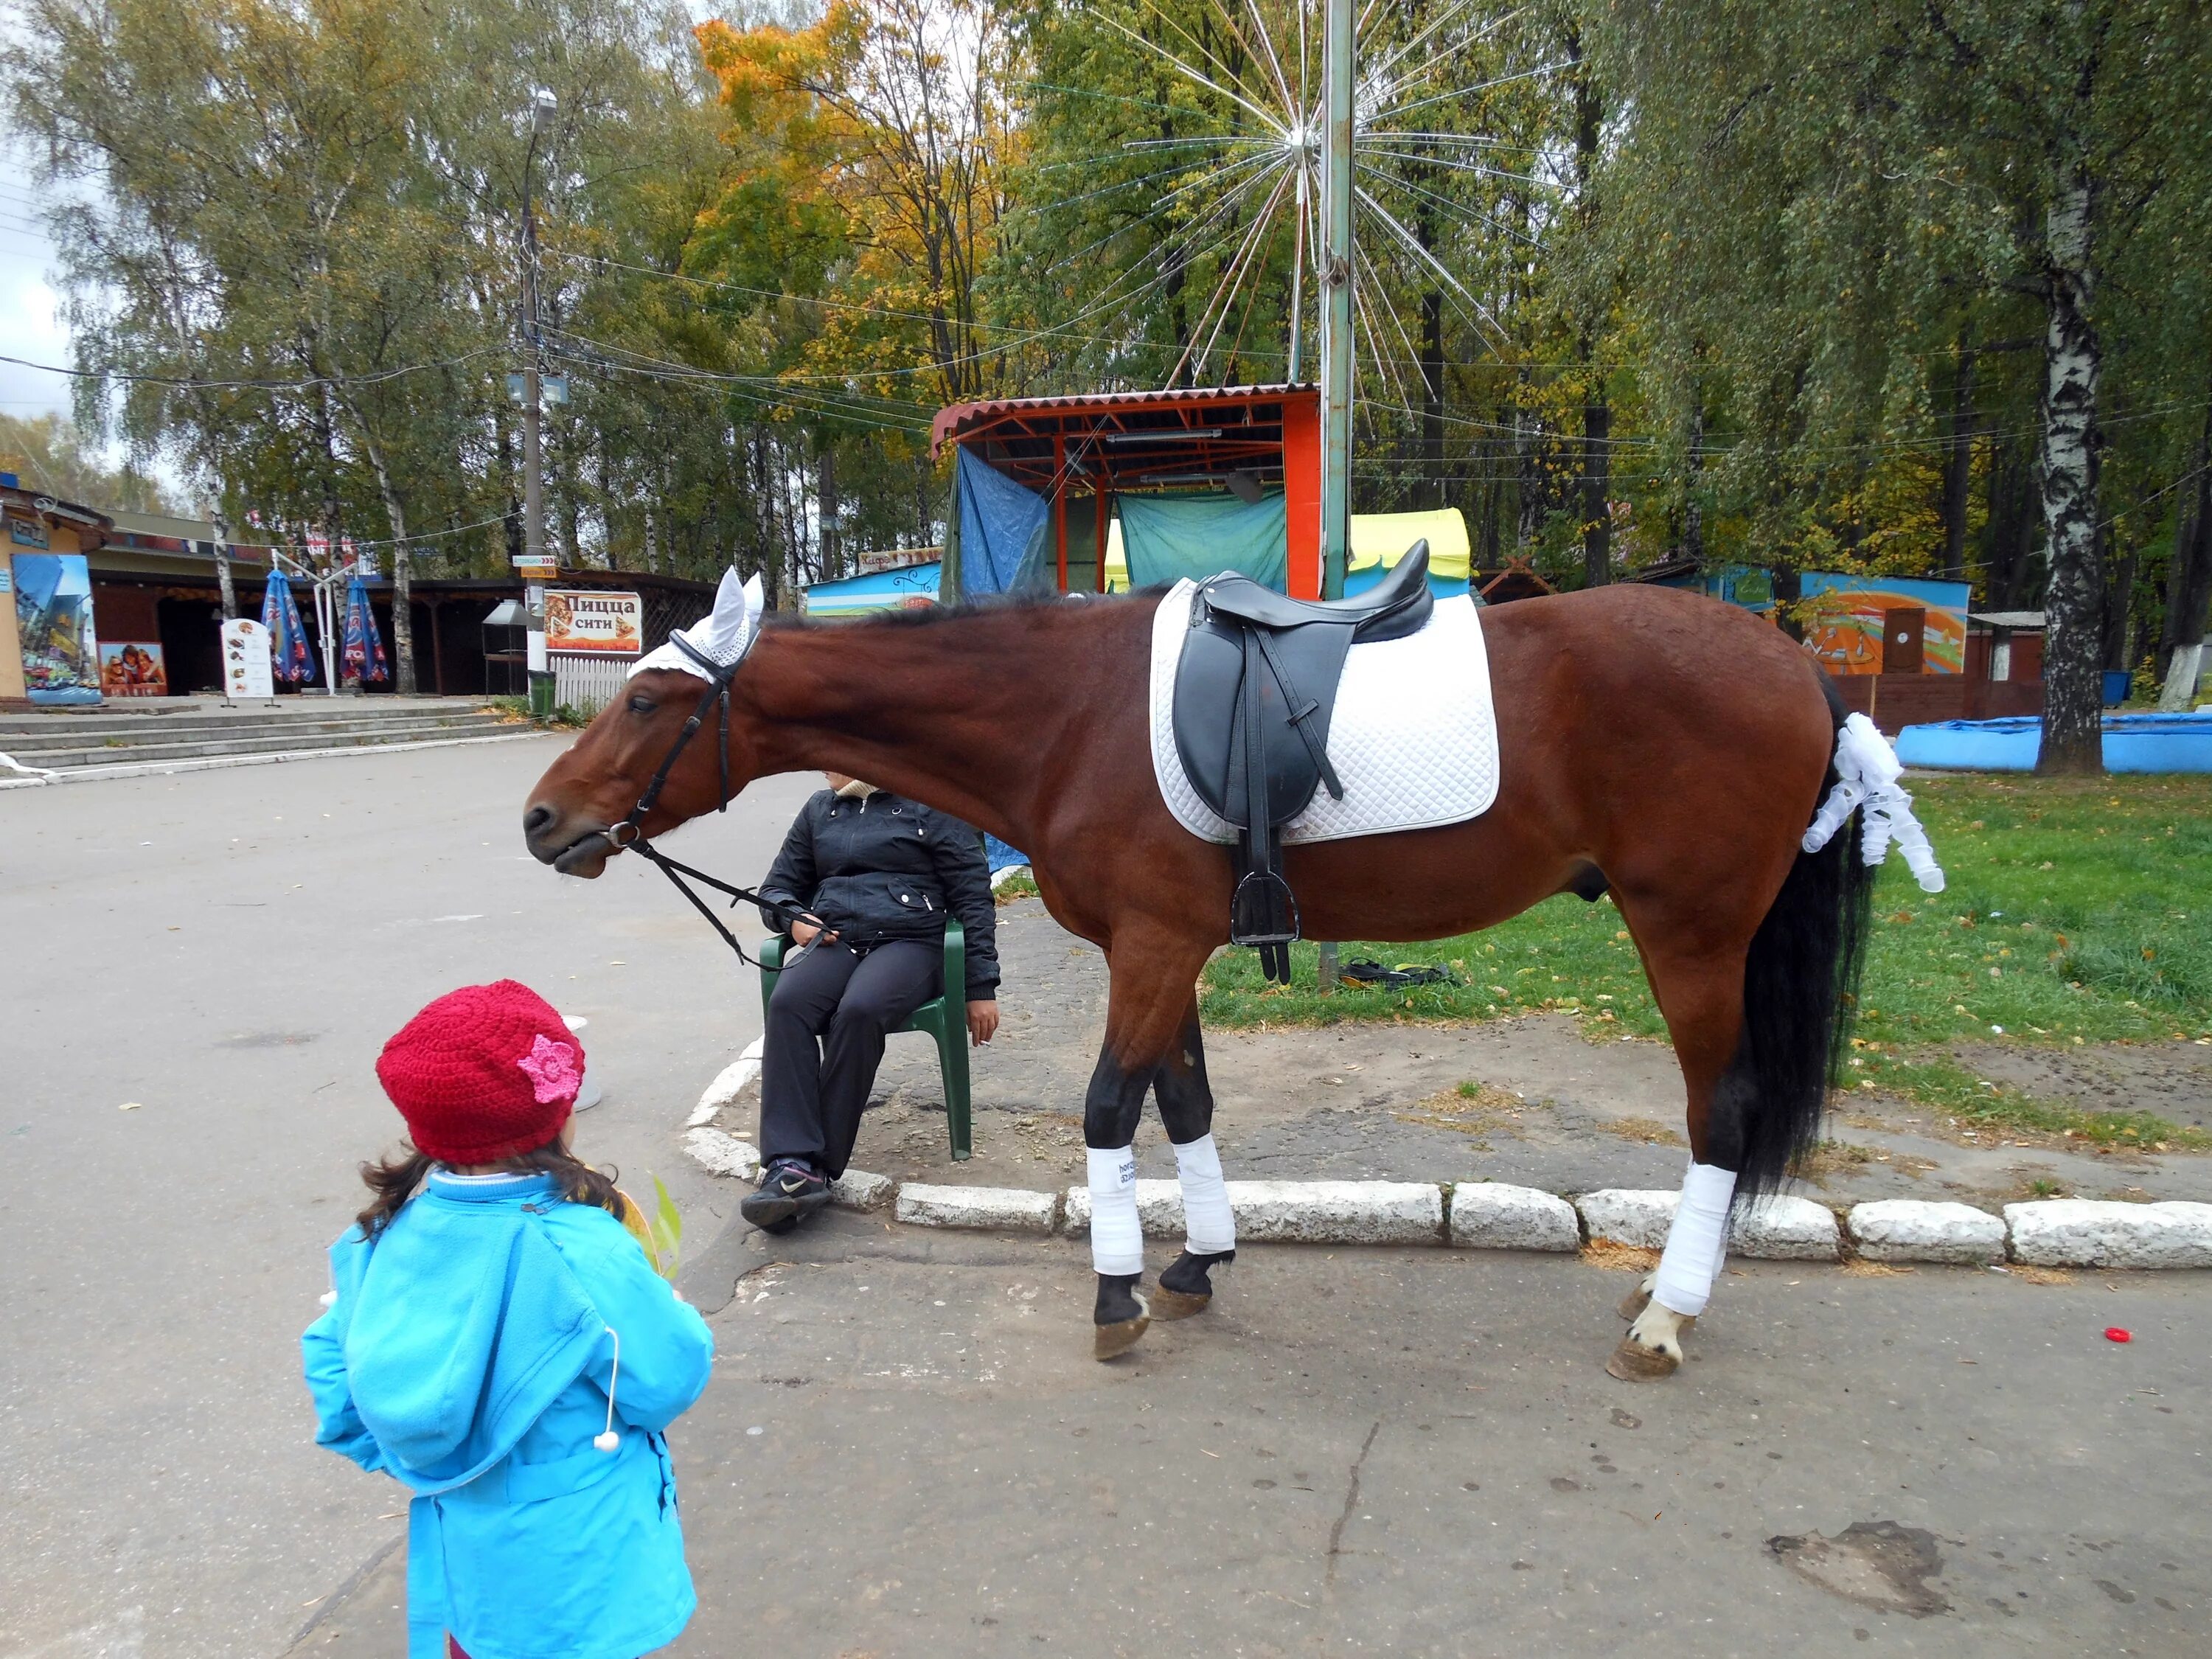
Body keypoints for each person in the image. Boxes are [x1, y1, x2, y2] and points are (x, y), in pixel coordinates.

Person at [302, 980, 714, 1659]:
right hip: (582, 1560)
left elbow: (333, 1362)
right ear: (559, 1112)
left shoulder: (381, 1232)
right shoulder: (584, 1248)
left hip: (469, 1561)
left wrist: (414, 1456)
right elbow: (665, 1378)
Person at [744, 773, 1001, 1231]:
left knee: (860, 1010)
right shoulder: (820, 810)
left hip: (914, 942)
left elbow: (973, 898)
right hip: (836, 940)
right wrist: (794, 920)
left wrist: (980, 987)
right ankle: (789, 1161)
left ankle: (818, 1165)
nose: (825, 764)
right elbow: (776, 889)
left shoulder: (932, 801)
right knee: (788, 1004)